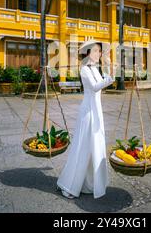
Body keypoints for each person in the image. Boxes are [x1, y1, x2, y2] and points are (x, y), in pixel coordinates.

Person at [57, 41, 115, 199]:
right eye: (96, 51)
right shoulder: (84, 70)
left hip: (96, 111)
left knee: (93, 147)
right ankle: (69, 184)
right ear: (88, 53)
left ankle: (88, 183)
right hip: (88, 112)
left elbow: (103, 80)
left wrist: (109, 67)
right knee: (82, 147)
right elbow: (96, 87)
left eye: (100, 51)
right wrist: (111, 76)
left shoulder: (94, 69)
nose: (99, 54)